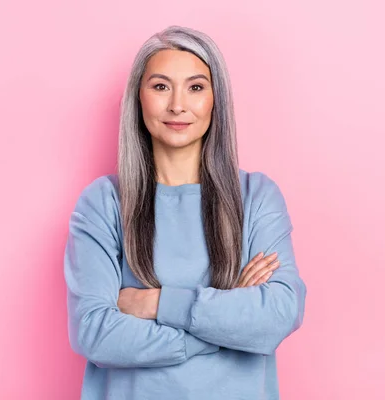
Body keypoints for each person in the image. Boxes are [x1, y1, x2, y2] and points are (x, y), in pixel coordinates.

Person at [63, 25, 307, 400]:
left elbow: (277, 315)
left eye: (195, 87)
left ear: (215, 99)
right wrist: (223, 325)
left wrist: (157, 303)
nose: (178, 105)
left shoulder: (256, 197)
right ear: (138, 98)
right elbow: (95, 333)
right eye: (161, 86)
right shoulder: (104, 203)